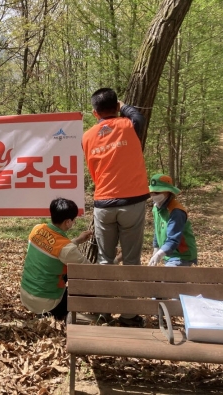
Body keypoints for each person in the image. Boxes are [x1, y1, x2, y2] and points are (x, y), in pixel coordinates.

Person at [82, 88, 149, 327]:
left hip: (103, 203)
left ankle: (104, 312)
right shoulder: (129, 125)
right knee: (131, 261)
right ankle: (129, 316)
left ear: (95, 113)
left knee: (104, 259)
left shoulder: (87, 137)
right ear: (117, 107)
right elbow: (138, 116)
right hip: (132, 202)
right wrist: (124, 106)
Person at [20, 198, 93, 320]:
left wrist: (77, 240)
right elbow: (91, 270)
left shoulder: (37, 229)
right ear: (68, 222)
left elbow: (56, 249)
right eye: (74, 220)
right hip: (46, 304)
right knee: (84, 281)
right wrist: (118, 259)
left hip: (26, 295)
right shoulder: (67, 249)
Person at [148, 174, 198, 267]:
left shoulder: (176, 211)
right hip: (168, 254)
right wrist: (156, 249)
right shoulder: (156, 208)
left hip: (181, 255)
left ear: (168, 192)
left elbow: (173, 239)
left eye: (157, 192)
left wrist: (159, 254)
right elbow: (157, 230)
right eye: (152, 192)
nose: (153, 195)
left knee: (167, 276)